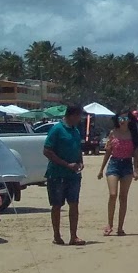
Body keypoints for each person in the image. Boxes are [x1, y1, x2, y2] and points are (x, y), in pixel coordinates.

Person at [42, 104, 86, 246]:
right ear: (72, 115)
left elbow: (77, 148)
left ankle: (74, 236)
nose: (80, 119)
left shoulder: (76, 130)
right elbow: (47, 150)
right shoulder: (57, 129)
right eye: (79, 116)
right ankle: (57, 235)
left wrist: (80, 161)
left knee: (74, 205)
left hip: (73, 175)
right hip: (57, 174)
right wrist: (66, 164)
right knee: (57, 205)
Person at [97, 112, 138, 236]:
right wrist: (101, 169)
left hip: (127, 165)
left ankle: (120, 227)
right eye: (120, 118)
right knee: (113, 194)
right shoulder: (113, 133)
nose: (122, 120)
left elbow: (136, 154)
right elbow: (108, 152)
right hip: (114, 164)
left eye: (125, 118)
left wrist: (136, 170)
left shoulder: (133, 135)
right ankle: (109, 224)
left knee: (123, 197)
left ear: (129, 120)